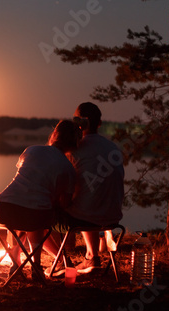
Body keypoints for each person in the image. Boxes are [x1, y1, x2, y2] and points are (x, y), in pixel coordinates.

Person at [0, 120, 80, 276]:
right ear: (74, 144)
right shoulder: (68, 169)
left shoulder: (31, 150)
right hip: (34, 215)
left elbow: (23, 181)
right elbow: (64, 203)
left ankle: (16, 264)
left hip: (2, 208)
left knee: (23, 213)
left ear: (54, 135)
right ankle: (37, 265)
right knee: (35, 214)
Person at [63, 102, 124, 273]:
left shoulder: (75, 149)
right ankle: (92, 256)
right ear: (99, 123)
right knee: (88, 196)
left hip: (86, 216)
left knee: (50, 206)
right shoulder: (113, 147)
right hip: (113, 216)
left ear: (79, 122)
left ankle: (62, 260)